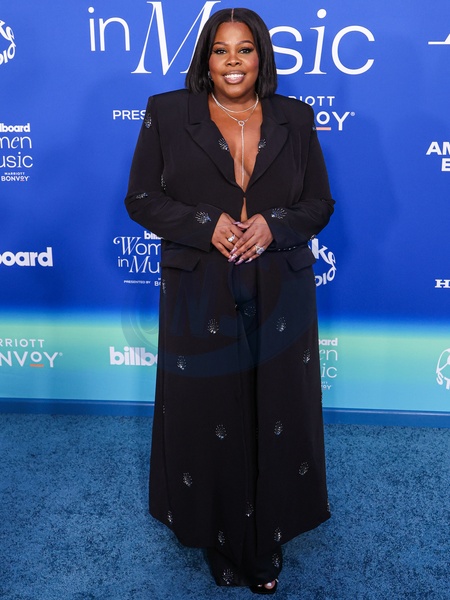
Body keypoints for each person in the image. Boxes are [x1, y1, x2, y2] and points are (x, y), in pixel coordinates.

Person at [125, 7, 335, 594]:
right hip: (200, 282)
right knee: (209, 412)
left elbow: (319, 204)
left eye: (245, 50)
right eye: (221, 50)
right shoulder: (169, 112)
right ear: (206, 58)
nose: (233, 61)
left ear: (261, 57)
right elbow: (140, 198)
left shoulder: (296, 117)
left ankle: (266, 541)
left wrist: (273, 224)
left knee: (277, 411)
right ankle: (219, 538)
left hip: (281, 282)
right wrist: (205, 222)